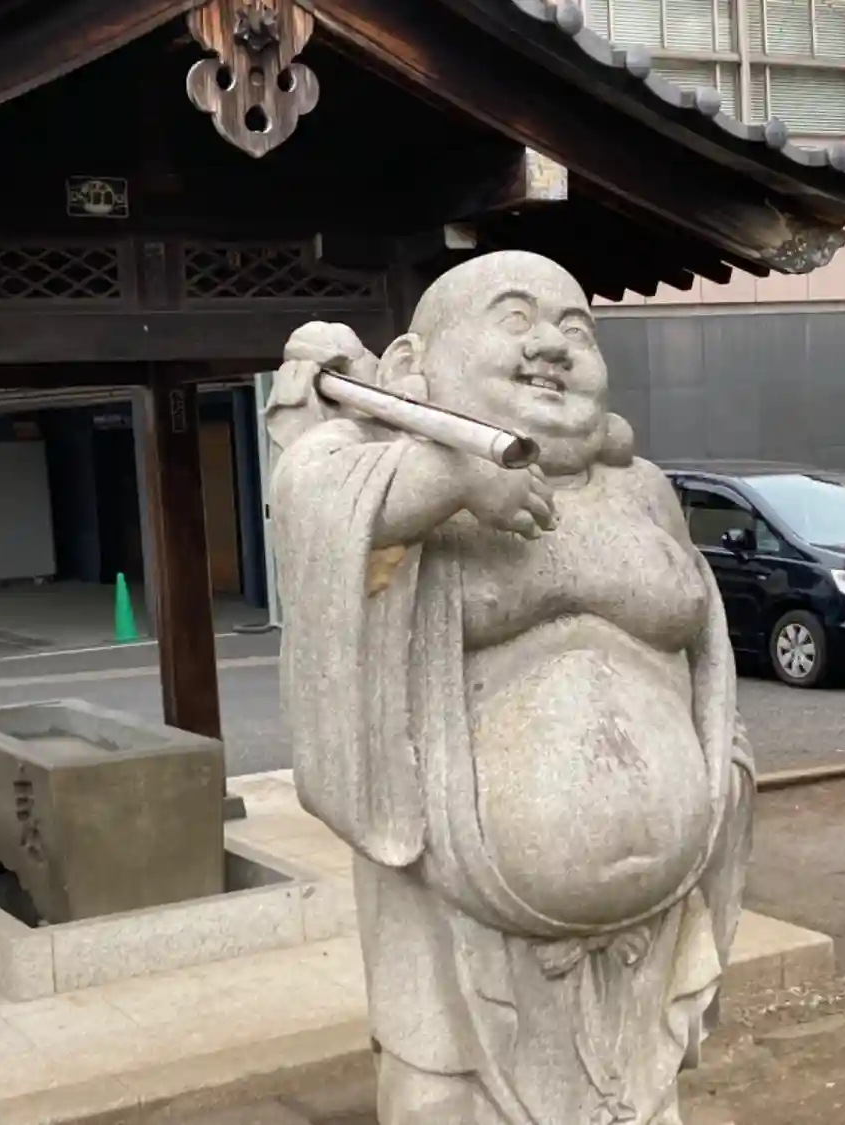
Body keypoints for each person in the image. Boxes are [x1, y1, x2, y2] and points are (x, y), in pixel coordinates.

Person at [267, 251, 753, 1125]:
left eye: (577, 330)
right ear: (414, 363)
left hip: (648, 928)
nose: (554, 347)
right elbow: (314, 501)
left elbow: (702, 668)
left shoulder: (642, 490)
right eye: (517, 319)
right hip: (458, 926)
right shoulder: (396, 486)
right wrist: (450, 475)